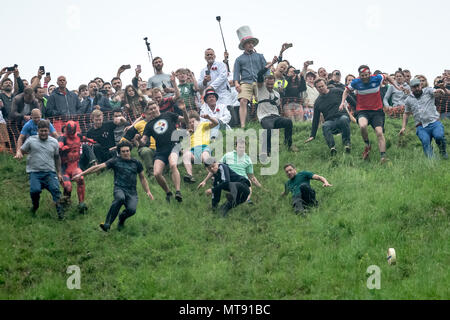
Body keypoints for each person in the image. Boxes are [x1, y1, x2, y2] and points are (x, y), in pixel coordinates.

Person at [73, 140, 154, 232]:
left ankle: (121, 219)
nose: (126, 153)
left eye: (127, 151)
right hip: (119, 188)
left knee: (132, 210)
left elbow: (142, 178)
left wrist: (148, 191)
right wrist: (81, 174)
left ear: (130, 151)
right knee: (120, 198)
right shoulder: (115, 161)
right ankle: (107, 224)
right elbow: (97, 167)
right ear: (119, 152)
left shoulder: (136, 163)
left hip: (132, 191)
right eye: (123, 151)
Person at [339, 65, 402, 162]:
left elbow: (388, 76)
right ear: (359, 75)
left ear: (370, 73)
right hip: (362, 110)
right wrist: (342, 102)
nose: (364, 77)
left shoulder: (376, 78)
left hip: (377, 111)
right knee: (363, 126)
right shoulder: (356, 82)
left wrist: (396, 86)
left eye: (366, 75)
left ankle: (383, 157)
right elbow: (346, 91)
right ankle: (367, 145)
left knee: (379, 132)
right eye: (362, 75)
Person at [140, 100, 189, 202]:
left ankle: (178, 191)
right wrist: (139, 140)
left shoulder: (168, 115)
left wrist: (184, 111)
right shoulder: (149, 125)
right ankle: (168, 192)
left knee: (173, 165)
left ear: (158, 107)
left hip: (174, 146)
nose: (153, 110)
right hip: (160, 150)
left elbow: (185, 120)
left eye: (154, 107)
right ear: (149, 111)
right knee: (157, 173)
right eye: (151, 109)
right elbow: (144, 140)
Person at [15, 120, 64, 219]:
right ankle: (35, 206)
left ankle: (61, 214)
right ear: (38, 130)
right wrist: (19, 153)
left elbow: (57, 157)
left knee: (56, 190)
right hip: (35, 172)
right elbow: (22, 150)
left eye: (45, 131)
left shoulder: (54, 142)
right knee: (35, 191)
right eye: (41, 131)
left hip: (49, 172)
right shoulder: (31, 140)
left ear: (49, 131)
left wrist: (59, 173)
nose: (43, 133)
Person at [257, 57, 297, 156]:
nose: (270, 85)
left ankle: (288, 145)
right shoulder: (261, 89)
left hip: (275, 116)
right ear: (265, 82)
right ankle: (266, 151)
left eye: (272, 84)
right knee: (269, 129)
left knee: (288, 122)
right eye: (268, 83)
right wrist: (271, 65)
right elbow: (259, 74)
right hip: (265, 117)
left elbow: (278, 106)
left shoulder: (277, 93)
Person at [399, 78, 448, 159]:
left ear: (421, 85)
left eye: (418, 86)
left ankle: (443, 152)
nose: (417, 88)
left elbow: (438, 92)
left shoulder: (428, 91)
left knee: (439, 136)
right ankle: (432, 161)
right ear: (411, 88)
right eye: (414, 87)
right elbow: (406, 113)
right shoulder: (408, 100)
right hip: (421, 126)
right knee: (425, 141)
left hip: (434, 123)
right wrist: (403, 127)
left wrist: (441, 89)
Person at [305, 79, 356, 155]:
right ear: (316, 88)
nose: (321, 88)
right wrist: (312, 135)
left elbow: (349, 99)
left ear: (325, 85)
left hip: (342, 116)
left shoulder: (337, 91)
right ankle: (332, 148)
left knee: (344, 119)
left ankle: (347, 144)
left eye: (322, 86)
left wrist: (358, 109)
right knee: (325, 125)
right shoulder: (317, 102)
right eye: (319, 87)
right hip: (330, 121)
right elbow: (315, 119)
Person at [233, 26, 268, 128]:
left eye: (252, 42)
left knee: (262, 102)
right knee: (243, 101)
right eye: (248, 43)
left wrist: (266, 80)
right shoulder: (239, 59)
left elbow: (266, 69)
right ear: (244, 45)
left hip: (259, 82)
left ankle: (262, 122)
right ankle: (243, 125)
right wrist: (236, 84)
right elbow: (236, 74)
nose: (251, 44)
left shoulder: (260, 56)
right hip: (245, 82)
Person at [58, 120, 96, 213]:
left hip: (75, 166)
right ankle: (65, 203)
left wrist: (91, 140)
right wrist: (62, 148)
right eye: (69, 132)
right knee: (68, 187)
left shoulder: (78, 135)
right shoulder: (62, 138)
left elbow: (84, 138)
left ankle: (81, 204)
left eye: (73, 132)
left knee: (81, 179)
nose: (71, 134)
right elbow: (57, 147)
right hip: (65, 168)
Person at [120, 102, 157, 177]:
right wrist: (119, 146)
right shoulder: (139, 124)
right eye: (149, 114)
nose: (151, 116)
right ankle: (151, 174)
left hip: (160, 148)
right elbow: (127, 137)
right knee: (146, 151)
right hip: (145, 148)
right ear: (144, 115)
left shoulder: (159, 122)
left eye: (152, 113)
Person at [182, 110, 218, 183]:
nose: (192, 124)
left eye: (193, 121)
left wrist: (209, 117)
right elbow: (187, 147)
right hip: (193, 152)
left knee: (205, 155)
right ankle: (190, 176)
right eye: (190, 122)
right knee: (186, 154)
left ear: (198, 121)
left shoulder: (203, 125)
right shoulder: (188, 131)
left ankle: (213, 174)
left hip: (204, 148)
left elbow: (216, 123)